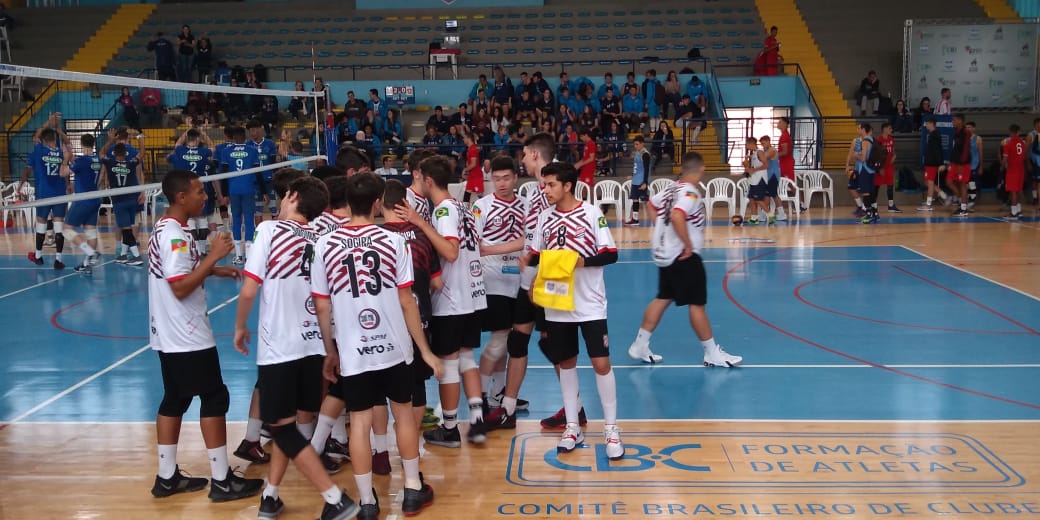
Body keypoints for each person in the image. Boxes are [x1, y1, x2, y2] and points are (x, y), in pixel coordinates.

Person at [312, 172, 442, 519]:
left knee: (361, 420)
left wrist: (330, 349)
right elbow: (406, 300)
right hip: (394, 347)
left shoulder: (325, 244)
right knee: (404, 415)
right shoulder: (393, 241)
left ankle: (368, 501)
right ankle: (412, 488)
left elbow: (322, 306)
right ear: (376, 203)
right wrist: (425, 350)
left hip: (354, 351)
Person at [232, 175, 360, 520]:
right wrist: (330, 347)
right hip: (315, 344)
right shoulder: (323, 237)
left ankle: (336, 499)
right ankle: (270, 496)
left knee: (281, 427)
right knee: (293, 426)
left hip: (280, 346)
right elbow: (325, 301)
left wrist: (240, 326)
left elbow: (248, 289)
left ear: (290, 197)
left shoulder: (270, 231)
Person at [146, 168, 264, 502]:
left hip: (168, 332)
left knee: (176, 398)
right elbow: (181, 286)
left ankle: (167, 478)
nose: (205, 196)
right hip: (187, 334)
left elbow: (178, 269)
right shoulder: (176, 237)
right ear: (181, 197)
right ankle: (222, 480)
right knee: (214, 398)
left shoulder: (166, 229)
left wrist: (213, 269)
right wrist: (213, 255)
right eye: (199, 191)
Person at [527, 162, 622, 458]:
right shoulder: (544, 217)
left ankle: (611, 428)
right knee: (566, 363)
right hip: (557, 304)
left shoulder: (591, 213)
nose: (546, 190)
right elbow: (534, 255)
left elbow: (610, 254)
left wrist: (580, 261)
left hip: (590, 303)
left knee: (601, 364)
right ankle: (572, 426)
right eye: (544, 185)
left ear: (568, 185)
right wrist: (531, 276)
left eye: (551, 184)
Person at [394, 155, 489, 447]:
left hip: (453, 298)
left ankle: (449, 428)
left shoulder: (445, 210)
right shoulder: (463, 206)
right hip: (472, 295)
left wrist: (420, 222)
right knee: (466, 358)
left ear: (429, 180)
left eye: (420, 178)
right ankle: (476, 420)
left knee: (448, 364)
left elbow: (450, 252)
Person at [627, 152, 744, 367]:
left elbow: (651, 204)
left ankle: (640, 344)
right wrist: (687, 244)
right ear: (702, 170)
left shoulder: (671, 188)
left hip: (665, 253)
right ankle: (711, 353)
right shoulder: (690, 193)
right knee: (697, 304)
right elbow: (678, 215)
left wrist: (661, 228)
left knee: (663, 297)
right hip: (683, 255)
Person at [380, 179, 442, 460]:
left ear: (381, 204)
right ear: (405, 204)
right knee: (416, 388)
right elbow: (437, 283)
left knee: (378, 392)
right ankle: (411, 447)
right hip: (420, 322)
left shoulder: (377, 238)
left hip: (384, 327)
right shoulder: (422, 236)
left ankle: (380, 451)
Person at [472, 156, 525, 425]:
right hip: (491, 279)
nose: (501, 183)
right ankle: (480, 395)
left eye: (506, 178)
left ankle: (498, 391)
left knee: (507, 339)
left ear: (515, 177)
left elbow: (528, 240)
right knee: (499, 337)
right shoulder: (481, 206)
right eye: (497, 178)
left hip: (518, 280)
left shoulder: (525, 207)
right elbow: (478, 245)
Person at [23, 113, 72, 269]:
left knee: (41, 225)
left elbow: (35, 137)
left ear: (43, 140)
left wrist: (47, 123)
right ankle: (58, 260)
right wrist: (57, 128)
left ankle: (38, 256)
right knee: (58, 227)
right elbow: (68, 144)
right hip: (59, 194)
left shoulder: (39, 151)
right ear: (54, 139)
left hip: (44, 194)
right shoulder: (60, 153)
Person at [168, 124, 221, 254]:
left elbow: (176, 146)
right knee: (202, 221)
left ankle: (193, 251)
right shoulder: (203, 152)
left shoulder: (180, 151)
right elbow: (213, 148)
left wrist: (186, 130)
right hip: (199, 190)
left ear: (187, 139)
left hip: (184, 191)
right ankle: (202, 251)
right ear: (198, 139)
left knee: (189, 221)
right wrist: (203, 133)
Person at [220, 125, 263, 264]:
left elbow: (224, 175)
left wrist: (224, 194)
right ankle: (250, 256)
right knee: (249, 220)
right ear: (245, 137)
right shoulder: (252, 150)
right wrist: (263, 191)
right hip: (248, 189)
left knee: (237, 220)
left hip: (234, 190)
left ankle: (239, 256)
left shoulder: (226, 151)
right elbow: (258, 172)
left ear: (232, 138)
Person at [100, 144, 147, 265]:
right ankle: (123, 255)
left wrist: (110, 140)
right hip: (132, 200)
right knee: (128, 226)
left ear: (114, 153)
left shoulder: (110, 163)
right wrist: (141, 140)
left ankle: (137, 256)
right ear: (125, 154)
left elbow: (101, 154)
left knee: (126, 230)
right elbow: (141, 154)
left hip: (119, 201)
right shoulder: (130, 163)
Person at [65, 134, 103, 275]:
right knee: (90, 232)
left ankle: (91, 253)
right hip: (95, 199)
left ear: (81, 144)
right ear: (93, 144)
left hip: (83, 200)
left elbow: (63, 173)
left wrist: (66, 159)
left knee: (67, 230)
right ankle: (87, 265)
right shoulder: (98, 160)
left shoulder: (81, 161)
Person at [247, 119, 278, 219]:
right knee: (258, 211)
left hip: (268, 180)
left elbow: (273, 162)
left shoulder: (270, 144)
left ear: (260, 129)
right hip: (254, 182)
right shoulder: (248, 145)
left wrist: (274, 175)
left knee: (273, 208)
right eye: (250, 131)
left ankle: (275, 232)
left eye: (254, 130)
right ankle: (258, 233)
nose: (252, 133)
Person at [917, 118, 949, 212]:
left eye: (927, 123)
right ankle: (944, 196)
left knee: (930, 183)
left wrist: (941, 163)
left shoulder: (935, 135)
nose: (926, 125)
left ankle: (928, 204)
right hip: (929, 162)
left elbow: (937, 150)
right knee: (927, 182)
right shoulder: (932, 134)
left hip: (932, 163)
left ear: (931, 124)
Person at [873, 123, 901, 213]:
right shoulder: (878, 140)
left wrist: (894, 156)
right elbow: (876, 155)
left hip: (889, 166)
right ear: (884, 129)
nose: (891, 130)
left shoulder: (891, 139)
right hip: (881, 167)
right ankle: (873, 206)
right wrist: (879, 168)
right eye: (889, 128)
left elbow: (893, 151)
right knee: (876, 186)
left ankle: (891, 205)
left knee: (890, 185)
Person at [742, 136, 770, 225]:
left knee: (758, 199)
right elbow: (750, 168)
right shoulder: (753, 154)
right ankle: (754, 218)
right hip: (753, 180)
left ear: (751, 144)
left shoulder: (760, 152)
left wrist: (754, 170)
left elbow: (766, 165)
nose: (746, 146)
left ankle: (770, 215)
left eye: (747, 144)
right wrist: (746, 165)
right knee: (751, 199)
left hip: (760, 180)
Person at [1001, 124, 1027, 221]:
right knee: (1018, 190)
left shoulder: (1008, 144)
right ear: (1018, 132)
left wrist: (1002, 167)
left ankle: (1013, 213)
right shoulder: (1022, 142)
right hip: (1021, 169)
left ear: (1011, 132)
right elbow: (1024, 156)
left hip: (1012, 170)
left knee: (1013, 192)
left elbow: (1004, 159)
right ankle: (1019, 211)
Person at [947, 115, 971, 218]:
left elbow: (965, 149)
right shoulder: (956, 131)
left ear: (960, 121)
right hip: (955, 162)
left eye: (955, 120)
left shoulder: (965, 132)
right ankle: (963, 203)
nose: (953, 121)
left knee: (962, 185)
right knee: (949, 181)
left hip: (962, 164)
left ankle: (963, 208)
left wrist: (962, 164)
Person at [625, 135, 652, 226]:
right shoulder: (637, 153)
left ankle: (657, 216)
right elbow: (636, 167)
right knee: (635, 199)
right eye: (634, 144)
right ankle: (635, 219)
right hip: (635, 180)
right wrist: (632, 176)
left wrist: (645, 182)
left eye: (637, 144)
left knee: (645, 200)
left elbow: (647, 169)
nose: (635, 146)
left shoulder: (645, 154)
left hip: (641, 181)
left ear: (642, 144)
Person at [760, 135, 786, 222]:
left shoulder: (772, 150)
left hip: (773, 175)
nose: (763, 145)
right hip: (768, 175)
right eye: (761, 144)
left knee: (773, 195)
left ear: (768, 141)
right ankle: (764, 215)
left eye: (764, 143)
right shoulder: (765, 150)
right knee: (767, 195)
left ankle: (781, 214)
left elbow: (763, 158)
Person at [966, 121, 982, 211]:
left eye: (969, 127)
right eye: (966, 127)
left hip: (974, 164)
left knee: (972, 183)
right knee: (966, 184)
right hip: (966, 164)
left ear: (973, 128)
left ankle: (972, 202)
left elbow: (980, 153)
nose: (968, 129)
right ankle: (968, 202)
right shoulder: (964, 138)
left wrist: (981, 166)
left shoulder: (978, 138)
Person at [463, 132, 483, 202]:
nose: (463, 139)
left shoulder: (473, 149)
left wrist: (465, 170)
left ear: (468, 138)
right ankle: (465, 211)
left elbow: (473, 164)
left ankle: (487, 210)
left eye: (464, 138)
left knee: (480, 195)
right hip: (472, 175)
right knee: (466, 194)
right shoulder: (470, 149)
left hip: (476, 175)